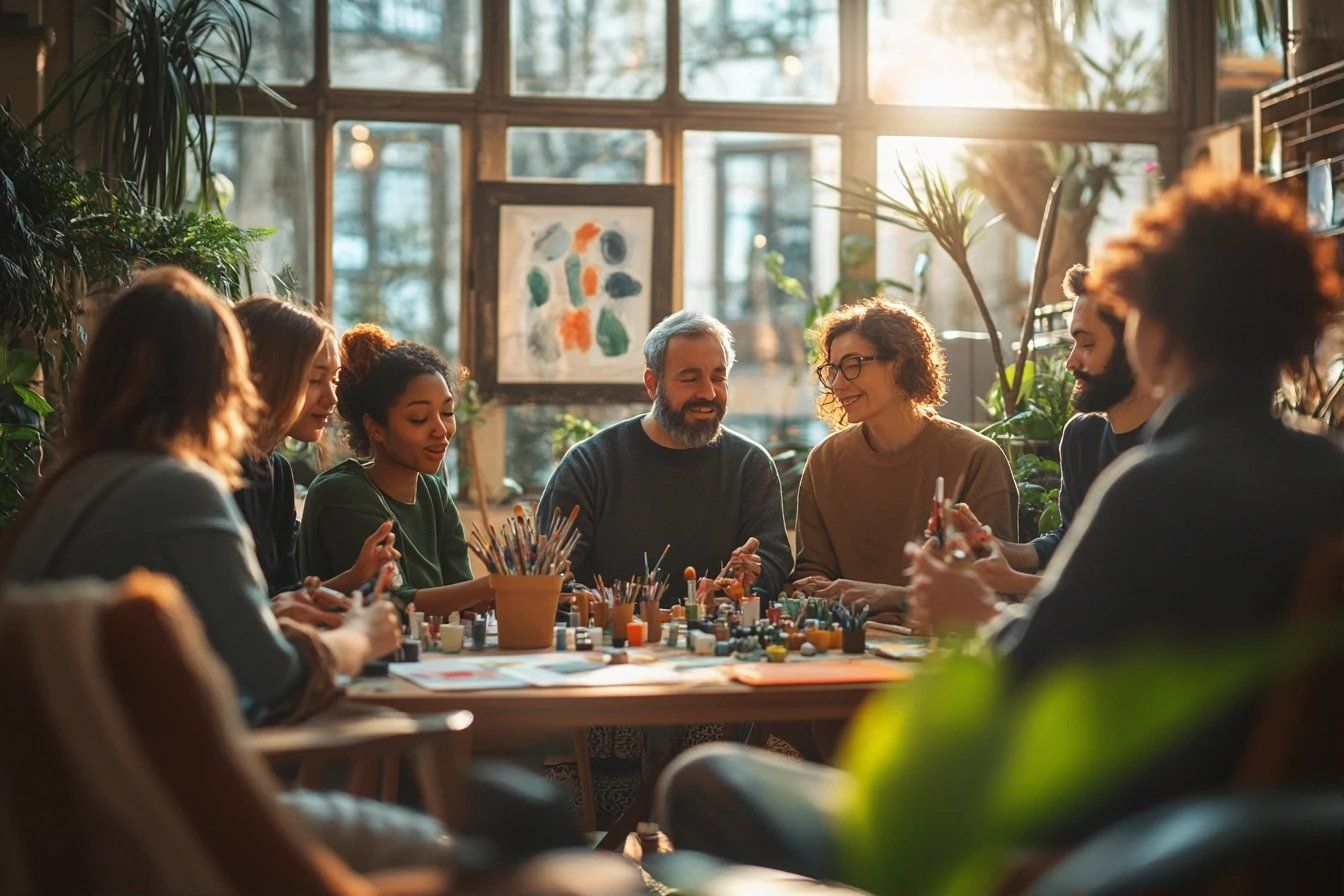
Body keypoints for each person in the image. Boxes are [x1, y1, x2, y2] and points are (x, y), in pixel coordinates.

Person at [656, 170, 1344, 876]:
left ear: (1162, 328)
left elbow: (1021, 680)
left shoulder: (1155, 486)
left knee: (702, 780)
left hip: (1086, 846)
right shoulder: (1330, 479)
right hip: (1260, 848)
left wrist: (972, 610)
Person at [1, 267, 401, 726]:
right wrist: (362, 638)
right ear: (225, 379)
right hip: (152, 783)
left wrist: (271, 612)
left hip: (60, 775)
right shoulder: (182, 489)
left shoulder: (68, 484)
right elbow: (274, 679)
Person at [536, 309, 791, 603]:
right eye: (690, 378)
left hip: (717, 642)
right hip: (607, 643)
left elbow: (774, 561)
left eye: (718, 378)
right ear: (652, 383)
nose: (708, 393)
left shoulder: (750, 465)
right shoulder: (590, 464)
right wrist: (584, 599)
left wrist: (751, 578)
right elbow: (550, 576)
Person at [790, 298, 1016, 617]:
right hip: (849, 645)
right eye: (833, 369)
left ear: (900, 364)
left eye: (853, 364)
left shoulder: (977, 457)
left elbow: (994, 589)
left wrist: (888, 596)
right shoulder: (825, 460)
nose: (838, 383)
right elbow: (810, 572)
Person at [952, 265, 1161, 596]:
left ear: (1137, 346)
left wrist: (1017, 582)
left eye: (1087, 344)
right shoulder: (1083, 437)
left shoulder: (1180, 449)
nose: (1070, 362)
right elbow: (1072, 537)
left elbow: (1142, 590)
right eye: (1072, 344)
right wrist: (996, 547)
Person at [298, 324, 492, 616]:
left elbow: (462, 596)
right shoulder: (343, 493)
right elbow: (389, 603)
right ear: (374, 427)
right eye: (418, 418)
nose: (441, 429)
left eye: (447, 412)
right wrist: (493, 585)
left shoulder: (434, 488)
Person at [231, 296, 399, 624]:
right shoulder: (211, 474)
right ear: (260, 376)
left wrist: (356, 575)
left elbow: (281, 599)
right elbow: (243, 618)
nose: (332, 397)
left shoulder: (276, 473)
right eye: (313, 380)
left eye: (334, 379)